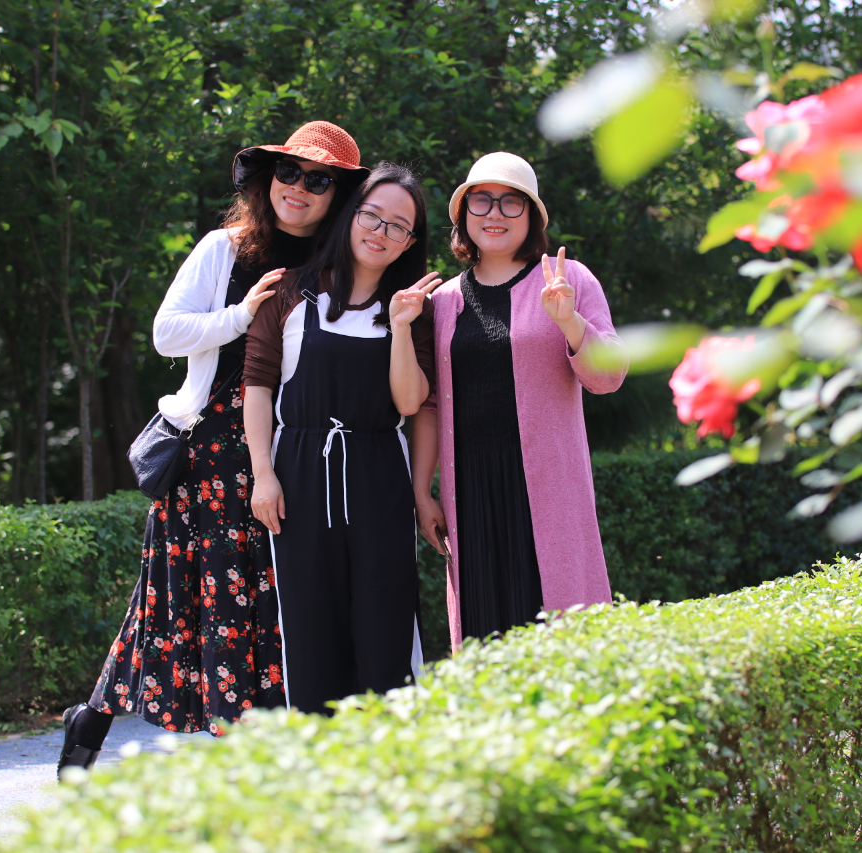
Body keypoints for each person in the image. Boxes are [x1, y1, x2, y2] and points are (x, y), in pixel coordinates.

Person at [56, 122, 369, 777]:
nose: (299, 188)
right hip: (212, 455)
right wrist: (241, 314)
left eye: (319, 180)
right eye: (289, 172)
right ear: (268, 178)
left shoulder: (340, 268)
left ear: (339, 195)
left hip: (295, 450)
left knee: (261, 596)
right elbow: (166, 333)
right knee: (202, 597)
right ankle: (241, 759)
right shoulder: (225, 249)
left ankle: (96, 720)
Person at [410, 151, 628, 652]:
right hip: (470, 490)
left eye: (512, 202)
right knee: (485, 633)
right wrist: (423, 491)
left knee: (561, 632)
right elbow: (430, 406)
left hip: (548, 489)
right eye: (482, 201)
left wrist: (570, 321)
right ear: (463, 214)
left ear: (532, 216)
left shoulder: (569, 280)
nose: (495, 213)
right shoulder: (443, 301)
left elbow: (609, 377)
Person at [243, 162, 439, 715]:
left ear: (409, 242)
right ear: (350, 215)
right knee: (309, 624)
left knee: (385, 621)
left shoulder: (413, 309)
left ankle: (390, 749)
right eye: (371, 216)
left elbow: (410, 402)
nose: (380, 232)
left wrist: (401, 326)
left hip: (379, 473)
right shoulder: (289, 292)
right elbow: (257, 386)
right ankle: (319, 754)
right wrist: (263, 475)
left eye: (398, 226)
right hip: (300, 472)